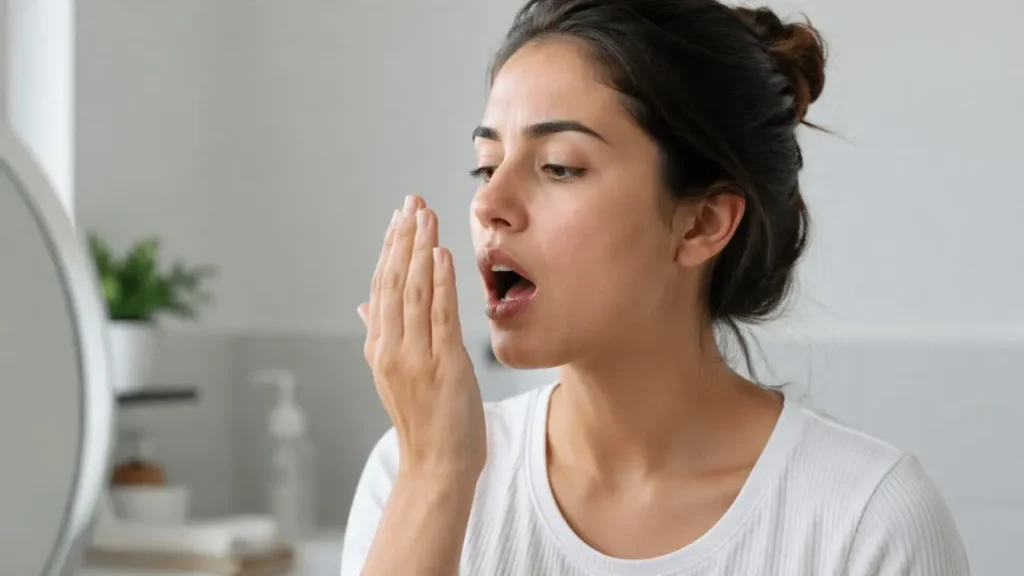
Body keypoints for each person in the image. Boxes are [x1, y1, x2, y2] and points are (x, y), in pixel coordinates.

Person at [342, 0, 970, 574]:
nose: (489, 204)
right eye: (486, 165)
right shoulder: (411, 472)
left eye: (560, 166)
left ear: (700, 223)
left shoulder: (868, 521)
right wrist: (436, 477)